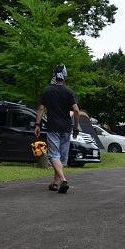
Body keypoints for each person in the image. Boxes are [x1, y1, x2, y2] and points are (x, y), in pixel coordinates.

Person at [35, 64, 80, 194]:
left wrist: (37, 125)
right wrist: (76, 126)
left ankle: (63, 180)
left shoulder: (47, 91)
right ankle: (55, 184)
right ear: (64, 76)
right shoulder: (69, 92)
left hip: (53, 127)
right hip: (66, 128)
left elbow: (41, 109)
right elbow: (76, 110)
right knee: (62, 158)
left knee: (54, 155)